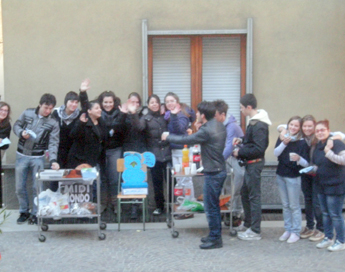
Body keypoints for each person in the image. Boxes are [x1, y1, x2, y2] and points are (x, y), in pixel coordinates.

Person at [162, 101, 227, 250]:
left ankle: (216, 238)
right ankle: (213, 235)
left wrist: (168, 136)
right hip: (218, 170)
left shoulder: (206, 130)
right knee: (213, 206)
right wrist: (201, 127)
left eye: (197, 113)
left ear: (203, 115)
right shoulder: (217, 125)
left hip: (214, 172)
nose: (195, 115)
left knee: (211, 208)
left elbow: (187, 140)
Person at [277, 115, 344, 242]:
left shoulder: (320, 135)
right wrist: (282, 130)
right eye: (305, 126)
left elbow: (340, 134)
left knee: (317, 202)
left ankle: (321, 229)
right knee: (308, 200)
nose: (307, 128)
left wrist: (333, 139)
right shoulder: (300, 136)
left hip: (319, 173)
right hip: (306, 172)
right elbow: (281, 126)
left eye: (310, 126)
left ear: (314, 127)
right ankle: (309, 226)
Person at [13, 94, 60, 224]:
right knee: (19, 187)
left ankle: (35, 213)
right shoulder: (27, 113)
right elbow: (16, 125)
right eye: (46, 107)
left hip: (38, 157)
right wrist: (21, 133)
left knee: (37, 187)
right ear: (40, 104)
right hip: (21, 155)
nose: (48, 111)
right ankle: (23, 211)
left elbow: (53, 143)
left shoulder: (53, 122)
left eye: (51, 108)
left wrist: (53, 160)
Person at [233, 93, 271, 241]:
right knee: (245, 194)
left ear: (249, 107)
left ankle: (255, 230)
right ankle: (248, 223)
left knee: (254, 197)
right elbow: (251, 141)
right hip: (250, 164)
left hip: (254, 164)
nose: (241, 110)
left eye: (242, 108)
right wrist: (241, 139)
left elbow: (259, 148)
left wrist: (239, 152)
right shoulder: (254, 121)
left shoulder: (259, 124)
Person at [131, 94, 171, 216]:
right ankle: (160, 206)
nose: (154, 104)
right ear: (148, 105)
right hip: (154, 155)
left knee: (171, 181)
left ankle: (172, 205)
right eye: (152, 102)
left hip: (168, 152)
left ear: (160, 104)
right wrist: (133, 114)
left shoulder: (165, 116)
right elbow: (139, 127)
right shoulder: (145, 118)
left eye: (156, 102)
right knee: (157, 182)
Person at [273, 116, 309, 243]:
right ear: (288, 125)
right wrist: (284, 143)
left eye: (296, 126)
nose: (293, 128)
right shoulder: (283, 137)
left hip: (294, 176)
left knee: (294, 205)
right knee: (285, 205)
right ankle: (288, 229)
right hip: (281, 174)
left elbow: (306, 164)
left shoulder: (302, 142)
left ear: (300, 128)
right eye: (291, 125)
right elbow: (276, 153)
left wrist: (299, 158)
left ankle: (296, 231)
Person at [312, 120, 345, 252]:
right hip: (321, 184)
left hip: (335, 185)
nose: (320, 132)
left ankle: (341, 241)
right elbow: (318, 164)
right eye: (317, 131)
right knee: (325, 213)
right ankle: (328, 237)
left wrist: (329, 153)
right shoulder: (318, 145)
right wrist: (312, 168)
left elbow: (343, 160)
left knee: (335, 214)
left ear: (328, 130)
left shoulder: (336, 143)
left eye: (322, 130)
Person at [213, 100, 244, 227]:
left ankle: (236, 213)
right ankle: (225, 211)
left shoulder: (232, 126)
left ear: (222, 114)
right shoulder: (220, 124)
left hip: (236, 159)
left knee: (236, 186)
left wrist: (217, 160)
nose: (213, 118)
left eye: (215, 115)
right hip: (226, 159)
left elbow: (229, 148)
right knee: (224, 186)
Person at [122, 92, 147, 219]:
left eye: (138, 102)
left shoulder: (143, 115)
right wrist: (124, 114)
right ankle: (129, 205)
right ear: (128, 102)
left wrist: (134, 114)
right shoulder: (123, 114)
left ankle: (136, 207)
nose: (135, 104)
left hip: (140, 150)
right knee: (128, 177)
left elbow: (140, 128)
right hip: (127, 150)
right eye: (133, 102)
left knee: (139, 178)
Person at [164, 92, 195, 166]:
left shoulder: (182, 115)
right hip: (174, 148)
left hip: (182, 150)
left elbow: (179, 129)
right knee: (177, 175)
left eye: (172, 101)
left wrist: (174, 115)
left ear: (177, 102)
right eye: (167, 102)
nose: (169, 103)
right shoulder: (168, 115)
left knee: (184, 174)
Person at [0, 101, 12, 205]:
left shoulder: (7, 125)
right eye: (2, 110)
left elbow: (6, 144)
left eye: (6, 111)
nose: (4, 112)